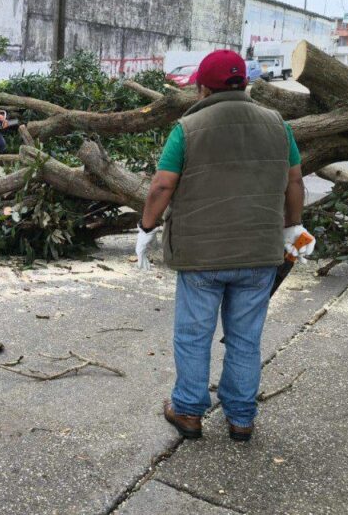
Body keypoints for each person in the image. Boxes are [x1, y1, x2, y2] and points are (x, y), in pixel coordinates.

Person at [134, 49, 316, 442]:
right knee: (245, 339)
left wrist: (146, 228)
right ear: (245, 85)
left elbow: (163, 184)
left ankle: (187, 412)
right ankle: (241, 418)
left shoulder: (188, 127)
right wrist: (293, 227)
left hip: (201, 258)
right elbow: (295, 182)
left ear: (202, 88)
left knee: (193, 336)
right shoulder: (278, 126)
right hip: (259, 254)